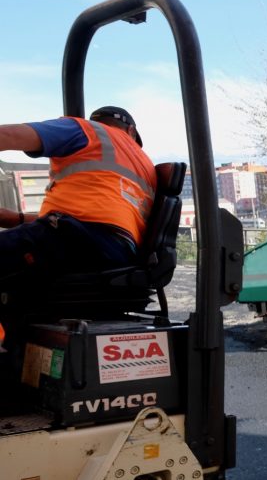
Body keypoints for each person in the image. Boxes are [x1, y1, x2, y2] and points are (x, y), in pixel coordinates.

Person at [0, 106, 156, 348]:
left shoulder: (88, 131)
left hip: (79, 239)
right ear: (132, 132)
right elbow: (96, 216)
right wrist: (15, 219)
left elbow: (9, 136)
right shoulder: (145, 166)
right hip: (113, 251)